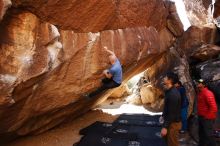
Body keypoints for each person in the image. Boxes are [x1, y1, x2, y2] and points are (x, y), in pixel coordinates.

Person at [160, 73, 182, 146]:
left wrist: (165, 127)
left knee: (172, 144)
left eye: (165, 77)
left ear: (170, 80)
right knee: (168, 142)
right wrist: (163, 116)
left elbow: (172, 112)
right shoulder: (169, 91)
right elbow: (167, 107)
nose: (164, 78)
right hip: (170, 122)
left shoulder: (173, 94)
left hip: (173, 124)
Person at [197, 79, 217, 146]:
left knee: (209, 135)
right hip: (201, 117)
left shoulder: (208, 93)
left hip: (207, 118)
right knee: (202, 134)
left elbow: (214, 107)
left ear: (204, 85)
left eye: (200, 83)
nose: (198, 83)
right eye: (198, 82)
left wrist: (207, 117)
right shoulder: (200, 92)